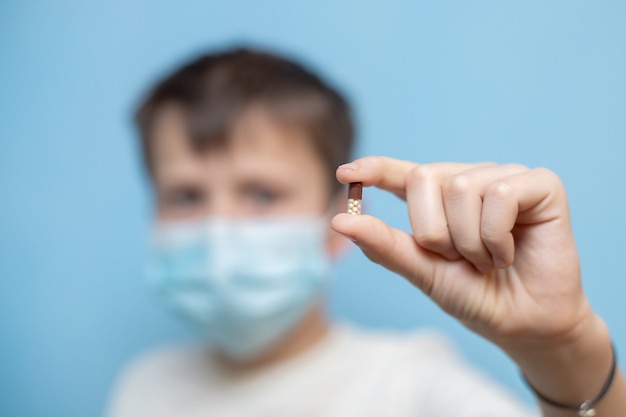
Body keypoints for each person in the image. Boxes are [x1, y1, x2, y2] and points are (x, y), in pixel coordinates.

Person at [106, 47, 625, 417]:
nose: (222, 230)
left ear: (340, 223)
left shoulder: (412, 387)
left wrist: (562, 348)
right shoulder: (144, 386)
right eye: (186, 197)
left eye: (263, 194)